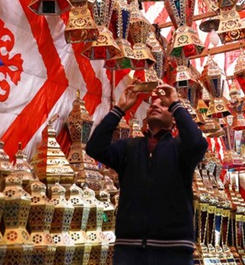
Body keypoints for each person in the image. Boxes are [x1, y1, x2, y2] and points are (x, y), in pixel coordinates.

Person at [86, 81, 208, 265]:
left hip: (174, 250)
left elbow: (198, 143)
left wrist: (175, 103)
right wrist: (119, 109)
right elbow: (95, 148)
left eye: (163, 104)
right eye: (152, 104)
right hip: (129, 248)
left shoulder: (181, 148)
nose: (155, 106)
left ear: (174, 117)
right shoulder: (129, 146)